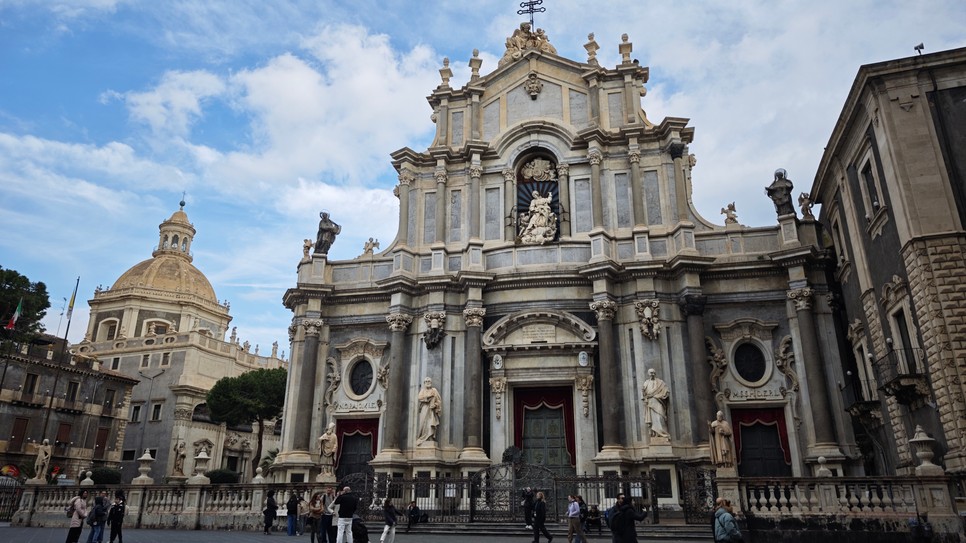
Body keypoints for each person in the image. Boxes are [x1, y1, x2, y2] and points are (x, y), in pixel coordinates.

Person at [641, 369, 670, 438]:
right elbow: (643, 394)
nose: (652, 374)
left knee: (661, 417)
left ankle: (663, 433)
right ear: (648, 374)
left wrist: (661, 395)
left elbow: (666, 391)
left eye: (654, 373)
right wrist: (644, 396)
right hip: (650, 403)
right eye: (651, 373)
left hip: (659, 401)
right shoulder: (646, 383)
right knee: (653, 419)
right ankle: (656, 434)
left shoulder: (660, 382)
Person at [415, 377, 442, 445]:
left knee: (430, 423)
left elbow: (439, 401)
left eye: (429, 381)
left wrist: (435, 405)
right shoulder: (422, 390)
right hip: (424, 408)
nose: (427, 382)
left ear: (431, 382)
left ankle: (430, 437)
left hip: (431, 410)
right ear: (424, 383)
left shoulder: (434, 390)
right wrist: (429, 397)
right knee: (423, 423)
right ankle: (422, 437)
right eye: (426, 381)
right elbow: (420, 398)